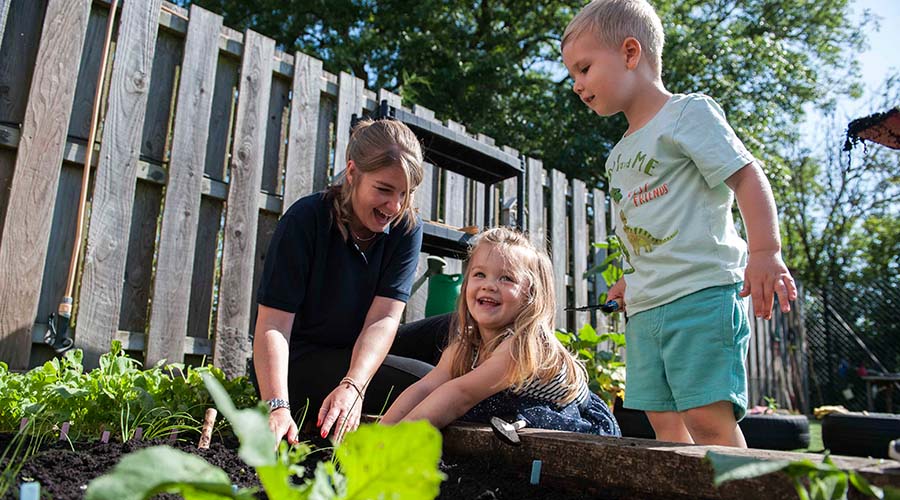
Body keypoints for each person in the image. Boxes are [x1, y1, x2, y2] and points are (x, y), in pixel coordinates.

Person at [561, 0, 798, 446]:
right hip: (648, 306)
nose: (577, 85)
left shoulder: (688, 115)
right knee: (663, 423)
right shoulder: (617, 155)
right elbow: (642, 228)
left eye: (584, 68)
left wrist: (766, 252)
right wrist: (632, 281)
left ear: (631, 53)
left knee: (706, 418)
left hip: (701, 294)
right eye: (573, 75)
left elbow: (747, 175)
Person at [254, 118, 450, 444]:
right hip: (299, 362)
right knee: (433, 383)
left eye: (405, 193)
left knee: (460, 327)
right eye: (384, 190)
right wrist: (276, 406)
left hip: (357, 351)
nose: (395, 206)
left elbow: (385, 317)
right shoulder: (305, 221)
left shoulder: (406, 227)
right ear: (352, 172)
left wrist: (354, 384)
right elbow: (273, 324)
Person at [381, 227, 621, 437]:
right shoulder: (466, 342)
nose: (489, 285)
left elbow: (459, 395)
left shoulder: (521, 345)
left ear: (530, 294)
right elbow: (427, 387)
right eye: (479, 274)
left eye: (506, 278)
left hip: (566, 424)